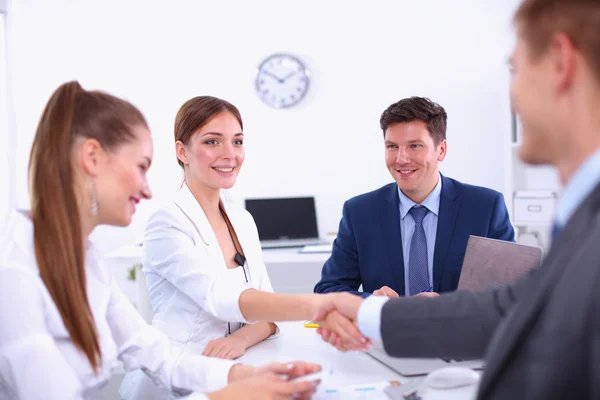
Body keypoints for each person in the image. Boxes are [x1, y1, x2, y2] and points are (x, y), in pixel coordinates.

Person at [314, 0, 600, 398]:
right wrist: (374, 309)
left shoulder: (496, 206)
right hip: (383, 365)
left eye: (515, 70)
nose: (513, 96)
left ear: (561, 64)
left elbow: (511, 301)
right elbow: (519, 307)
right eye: (392, 146)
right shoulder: (583, 215)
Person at [0, 81, 330, 400]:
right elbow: (220, 299)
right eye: (141, 167)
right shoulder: (14, 271)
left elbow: (154, 353)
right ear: (92, 157)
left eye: (238, 141)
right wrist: (228, 395)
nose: (147, 189)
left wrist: (244, 377)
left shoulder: (86, 259)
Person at [121, 96, 289, 398]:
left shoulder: (242, 218)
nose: (229, 154)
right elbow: (221, 298)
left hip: (233, 368)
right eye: (213, 142)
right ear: (182, 151)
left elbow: (268, 310)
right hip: (175, 376)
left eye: (237, 142)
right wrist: (320, 307)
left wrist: (241, 340)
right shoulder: (166, 221)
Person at [314, 97, 514, 298]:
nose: (401, 159)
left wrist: (449, 306)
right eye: (392, 146)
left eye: (415, 146)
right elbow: (328, 290)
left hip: (460, 328)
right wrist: (374, 303)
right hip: (388, 329)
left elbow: (512, 291)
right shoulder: (359, 212)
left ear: (441, 150)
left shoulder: (485, 208)